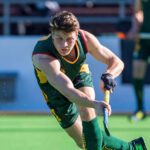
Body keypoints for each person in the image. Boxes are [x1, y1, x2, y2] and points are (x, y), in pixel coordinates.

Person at [32, 11, 147, 150]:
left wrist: (109, 74)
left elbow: (116, 61)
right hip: (54, 89)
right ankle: (133, 148)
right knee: (83, 141)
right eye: (59, 38)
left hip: (78, 72)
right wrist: (95, 104)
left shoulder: (85, 38)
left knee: (86, 111)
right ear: (52, 34)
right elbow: (68, 91)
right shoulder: (43, 57)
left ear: (77, 33)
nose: (65, 44)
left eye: (69, 38)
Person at [127, 0, 150, 122]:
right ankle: (140, 109)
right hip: (143, 38)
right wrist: (135, 27)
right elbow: (138, 11)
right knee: (137, 72)